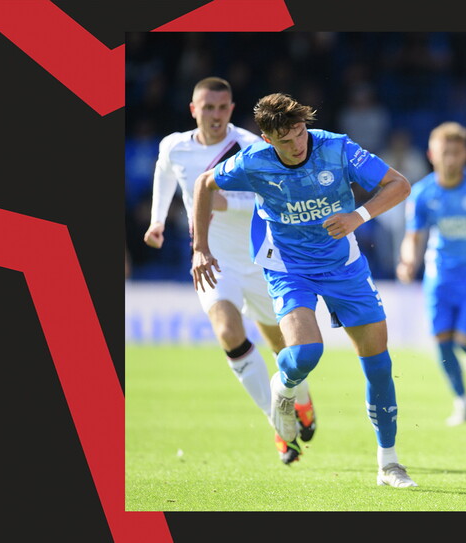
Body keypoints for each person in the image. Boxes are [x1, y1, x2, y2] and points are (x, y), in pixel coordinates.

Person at [190, 92, 418, 488]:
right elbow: (204, 183)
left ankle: (389, 464)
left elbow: (398, 185)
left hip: (343, 265)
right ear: (267, 140)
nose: (296, 145)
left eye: (298, 133)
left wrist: (357, 217)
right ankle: (284, 387)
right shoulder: (253, 162)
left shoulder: (337, 147)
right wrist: (200, 249)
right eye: (284, 140)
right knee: (306, 353)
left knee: (379, 365)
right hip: (288, 267)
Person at [143, 77, 316, 466]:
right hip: (212, 261)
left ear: (231, 109)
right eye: (208, 108)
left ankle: (302, 402)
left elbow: (270, 199)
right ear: (193, 109)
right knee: (227, 333)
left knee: (284, 348)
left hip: (259, 260)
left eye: (222, 108)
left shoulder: (251, 146)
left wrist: (225, 204)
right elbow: (164, 174)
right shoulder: (175, 146)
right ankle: (279, 425)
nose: (215, 115)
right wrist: (157, 221)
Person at [396, 121, 466, 427]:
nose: (449, 158)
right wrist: (408, 261)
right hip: (439, 275)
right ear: (431, 154)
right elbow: (414, 236)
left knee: (463, 340)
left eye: (455, 152)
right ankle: (462, 401)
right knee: (441, 341)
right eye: (443, 152)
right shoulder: (422, 193)